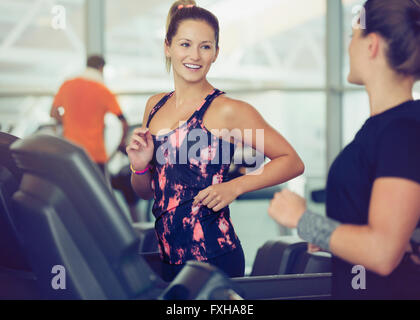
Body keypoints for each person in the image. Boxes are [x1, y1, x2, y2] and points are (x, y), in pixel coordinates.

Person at [126, 0, 304, 282]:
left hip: (213, 256)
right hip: (166, 258)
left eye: (205, 46)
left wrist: (235, 186)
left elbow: (292, 161)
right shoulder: (154, 106)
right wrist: (139, 166)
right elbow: (148, 193)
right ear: (167, 47)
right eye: (185, 44)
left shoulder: (228, 110)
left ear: (216, 53)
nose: (194, 55)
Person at [268, 0, 420, 299]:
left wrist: (304, 220)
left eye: (353, 36)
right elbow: (388, 235)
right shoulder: (385, 128)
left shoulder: (403, 130)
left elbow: (383, 252)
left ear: (371, 45)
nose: (348, 46)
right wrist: (332, 238)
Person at [50, 55, 129, 176]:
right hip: (95, 156)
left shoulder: (67, 85)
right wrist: (122, 142)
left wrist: (69, 120)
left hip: (71, 152)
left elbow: (53, 113)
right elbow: (123, 122)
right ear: (101, 68)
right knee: (98, 193)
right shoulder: (103, 91)